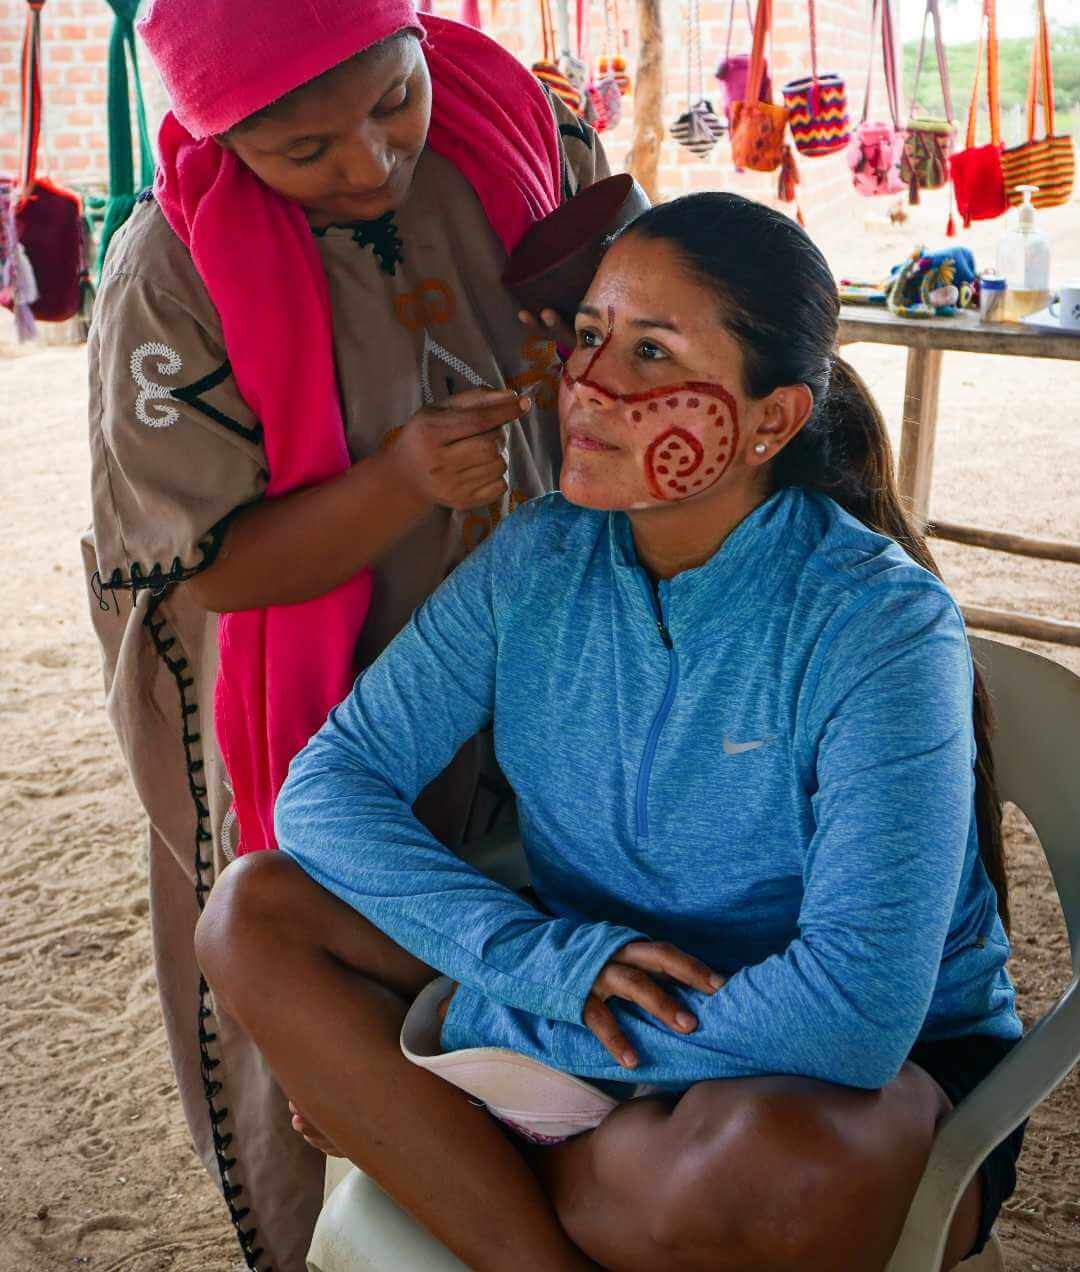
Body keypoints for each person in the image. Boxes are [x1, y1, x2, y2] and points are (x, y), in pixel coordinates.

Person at [196, 193, 1024, 1272]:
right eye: (589, 337)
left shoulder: (880, 624)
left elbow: (854, 1014)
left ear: (769, 419)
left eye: (650, 352)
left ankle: (472, 1150)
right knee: (253, 913)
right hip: (591, 981)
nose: (588, 386)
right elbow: (326, 790)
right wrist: (539, 961)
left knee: (771, 1174)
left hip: (833, 1076)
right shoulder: (538, 560)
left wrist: (481, 1036)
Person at [83, 0, 607, 1271]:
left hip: (524, 645)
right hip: (304, 688)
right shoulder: (168, 270)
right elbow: (210, 577)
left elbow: (624, 298)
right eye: (304, 149)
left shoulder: (509, 121)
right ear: (215, 128)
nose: (372, 164)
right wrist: (398, 486)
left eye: (392, 100)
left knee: (540, 927)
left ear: (416, 36)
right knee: (314, 966)